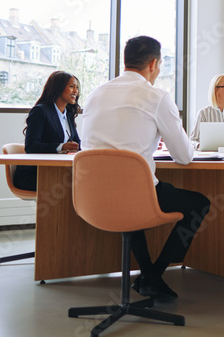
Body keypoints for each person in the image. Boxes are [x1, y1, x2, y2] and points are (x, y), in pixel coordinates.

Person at [79, 35, 210, 302]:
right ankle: (153, 275)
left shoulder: (95, 94)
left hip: (91, 198)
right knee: (198, 204)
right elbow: (184, 157)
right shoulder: (156, 97)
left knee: (131, 195)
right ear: (153, 64)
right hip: (135, 197)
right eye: (159, 66)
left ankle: (150, 275)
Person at [14, 71, 81, 192]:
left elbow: (77, 144)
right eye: (71, 86)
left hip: (59, 172)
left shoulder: (68, 114)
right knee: (77, 186)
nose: (76, 91)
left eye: (77, 87)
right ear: (58, 87)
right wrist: (61, 147)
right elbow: (31, 146)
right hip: (35, 174)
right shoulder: (40, 111)